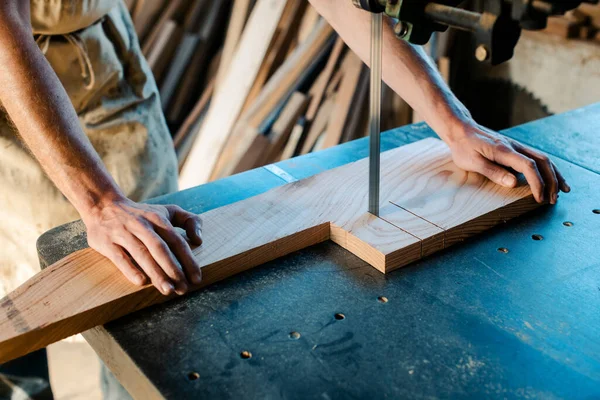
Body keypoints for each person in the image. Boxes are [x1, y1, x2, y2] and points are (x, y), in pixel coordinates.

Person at [0, 0, 569, 398]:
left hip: (98, 58)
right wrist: (99, 201)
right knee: (66, 301)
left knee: (154, 277)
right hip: (18, 78)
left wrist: (452, 121)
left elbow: (344, 2)